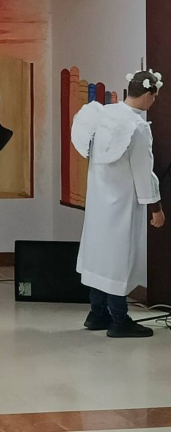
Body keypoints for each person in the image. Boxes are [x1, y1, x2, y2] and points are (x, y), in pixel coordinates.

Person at [72, 70, 166, 338]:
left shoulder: (103, 114)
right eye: (154, 97)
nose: (153, 102)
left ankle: (97, 314)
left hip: (98, 203)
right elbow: (143, 173)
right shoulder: (137, 127)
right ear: (148, 94)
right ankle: (119, 320)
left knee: (100, 258)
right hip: (122, 204)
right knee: (117, 261)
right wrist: (156, 208)